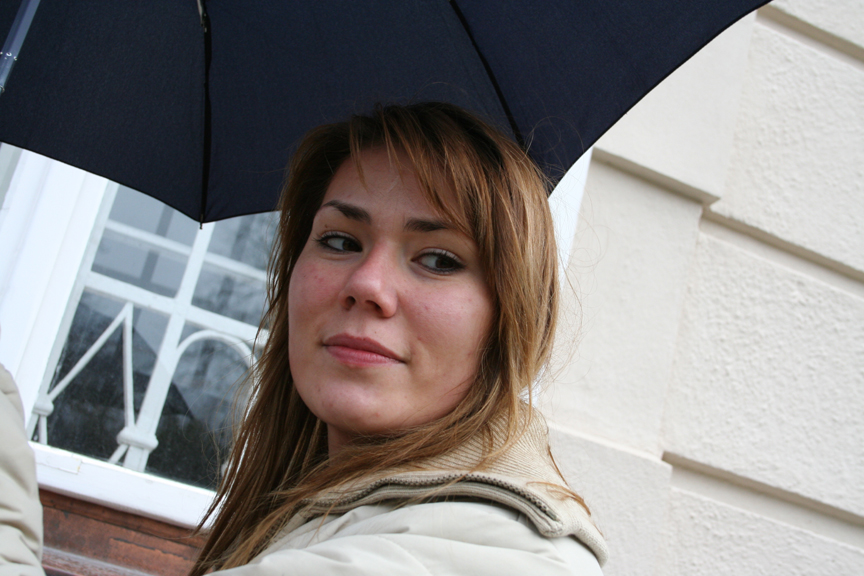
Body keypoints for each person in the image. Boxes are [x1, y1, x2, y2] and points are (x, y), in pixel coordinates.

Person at [0, 102, 607, 575]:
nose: (367, 284)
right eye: (340, 241)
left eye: (439, 259)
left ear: (510, 317)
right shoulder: (335, 517)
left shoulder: (488, 555)